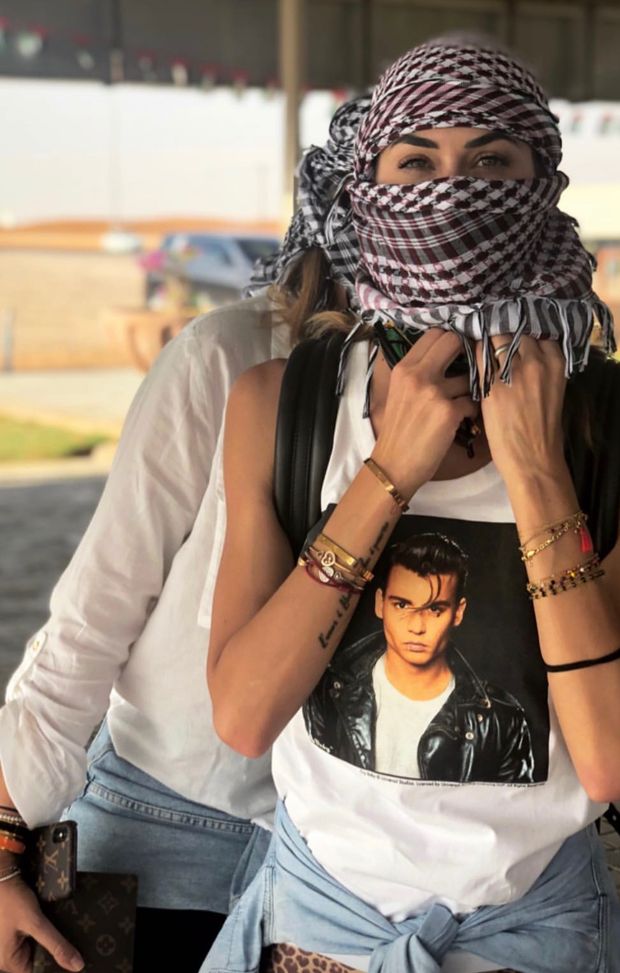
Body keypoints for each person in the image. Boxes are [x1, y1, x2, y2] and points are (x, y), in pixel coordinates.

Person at [203, 35, 620, 973]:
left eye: (492, 163)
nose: (454, 191)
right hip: (318, 935)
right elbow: (243, 715)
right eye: (418, 163)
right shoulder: (282, 406)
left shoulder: (603, 427)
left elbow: (608, 761)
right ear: (370, 189)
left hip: (533, 940)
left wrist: (538, 472)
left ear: (542, 186)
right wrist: (388, 471)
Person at [0, 94, 370, 973]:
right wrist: (5, 840)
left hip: (346, 870)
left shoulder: (486, 401)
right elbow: (95, 611)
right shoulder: (228, 357)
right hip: (161, 819)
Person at [304, 532, 535, 783]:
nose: (416, 626)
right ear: (380, 603)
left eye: (434, 609)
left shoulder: (501, 719)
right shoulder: (329, 686)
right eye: (402, 605)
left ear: (458, 613)